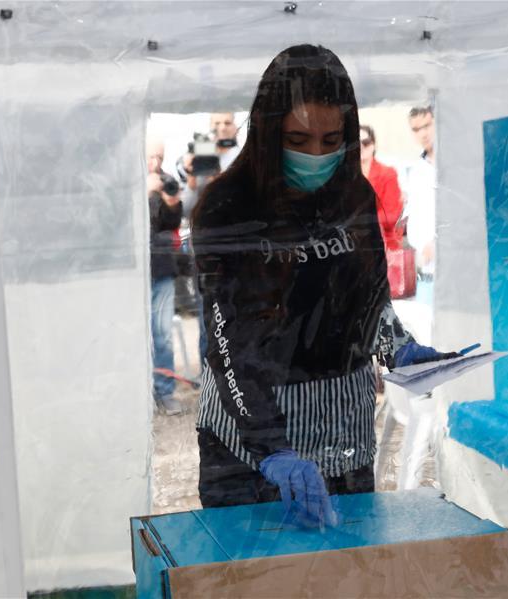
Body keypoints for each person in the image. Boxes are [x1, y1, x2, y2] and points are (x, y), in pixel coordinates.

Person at [190, 44, 458, 527]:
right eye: (298, 139)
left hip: (342, 427)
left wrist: (399, 347)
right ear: (268, 131)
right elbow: (229, 340)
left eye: (332, 139)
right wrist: (271, 446)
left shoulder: (353, 195)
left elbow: (371, 298)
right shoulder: (226, 206)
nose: (317, 154)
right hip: (250, 438)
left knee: (347, 569)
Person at [177, 113, 242, 370]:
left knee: (238, 314)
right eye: (215, 124)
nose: (221, 129)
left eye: (226, 123)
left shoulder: (246, 156)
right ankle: (211, 381)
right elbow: (186, 210)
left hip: (240, 251)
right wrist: (192, 180)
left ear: (235, 127)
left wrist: (219, 178)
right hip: (206, 252)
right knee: (208, 317)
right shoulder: (202, 155)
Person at [147, 139, 185, 416]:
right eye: (150, 157)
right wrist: (144, 194)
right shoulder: (122, 184)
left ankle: (165, 392)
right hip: (131, 273)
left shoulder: (167, 181)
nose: (155, 164)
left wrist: (172, 204)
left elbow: (171, 226)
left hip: (161, 269)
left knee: (162, 335)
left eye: (159, 157)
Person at [404, 106, 436, 304]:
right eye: (416, 129)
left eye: (426, 125)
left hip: (454, 272)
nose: (423, 133)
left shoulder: (454, 165)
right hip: (425, 273)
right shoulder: (415, 170)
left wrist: (436, 242)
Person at [359, 124, 404, 252]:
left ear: (373, 145)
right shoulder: (345, 177)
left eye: (366, 142)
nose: (361, 146)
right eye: (356, 143)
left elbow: (391, 215)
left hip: (384, 246)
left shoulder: (388, 174)